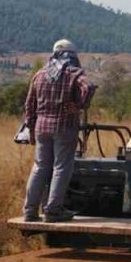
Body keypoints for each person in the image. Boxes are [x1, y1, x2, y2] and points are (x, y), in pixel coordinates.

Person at [22, 39, 95, 223]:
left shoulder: (39, 75)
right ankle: (53, 211)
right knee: (61, 168)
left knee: (39, 167)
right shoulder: (73, 73)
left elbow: (29, 104)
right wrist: (79, 105)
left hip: (41, 128)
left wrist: (31, 128)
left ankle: (30, 211)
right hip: (64, 127)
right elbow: (89, 87)